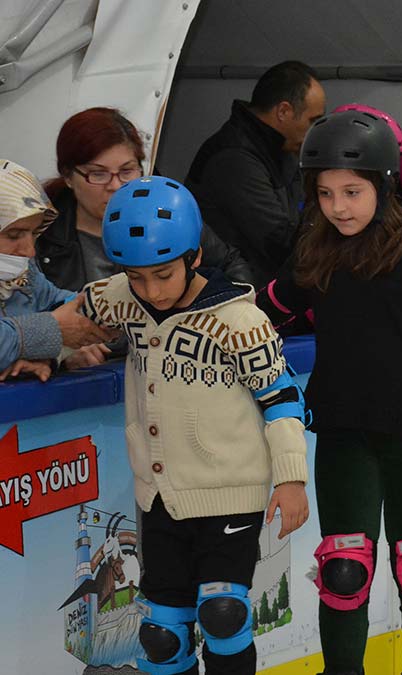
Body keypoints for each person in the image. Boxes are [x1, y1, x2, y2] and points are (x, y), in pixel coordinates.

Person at [255, 110, 402, 675]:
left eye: (352, 191)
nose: (339, 206)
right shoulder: (317, 249)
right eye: (325, 193)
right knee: (344, 571)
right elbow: (267, 308)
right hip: (344, 434)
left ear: (383, 185)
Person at [76, 175, 310, 675]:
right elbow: (74, 315)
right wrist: (49, 349)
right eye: (136, 278)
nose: (150, 291)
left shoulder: (240, 322)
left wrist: (291, 479)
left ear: (195, 257)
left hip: (231, 494)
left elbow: (284, 398)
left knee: (223, 615)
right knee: (161, 635)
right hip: (160, 498)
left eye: (163, 274)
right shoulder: (126, 298)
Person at [39, 107, 252, 292]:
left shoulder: (168, 212)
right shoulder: (40, 236)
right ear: (68, 176)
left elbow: (231, 265)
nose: (115, 186)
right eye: (98, 174)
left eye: (127, 171)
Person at [187, 60, 327, 287]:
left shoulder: (280, 148)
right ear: (283, 111)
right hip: (235, 293)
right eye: (312, 121)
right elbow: (279, 242)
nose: (315, 132)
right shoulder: (234, 159)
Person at [0, 159, 115, 379]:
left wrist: (110, 308)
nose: (30, 250)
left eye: (34, 233)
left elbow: (59, 301)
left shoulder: (23, 272)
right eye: (14, 235)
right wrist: (54, 331)